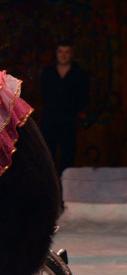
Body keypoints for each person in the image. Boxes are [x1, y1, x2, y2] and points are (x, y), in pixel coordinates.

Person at [40, 40, 90, 174]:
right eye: (60, 51)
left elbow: (84, 96)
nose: (63, 55)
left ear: (71, 54)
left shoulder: (79, 73)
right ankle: (50, 184)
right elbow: (42, 94)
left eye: (67, 52)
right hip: (49, 119)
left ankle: (67, 184)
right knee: (47, 156)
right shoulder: (48, 72)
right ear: (56, 53)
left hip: (69, 121)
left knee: (68, 156)